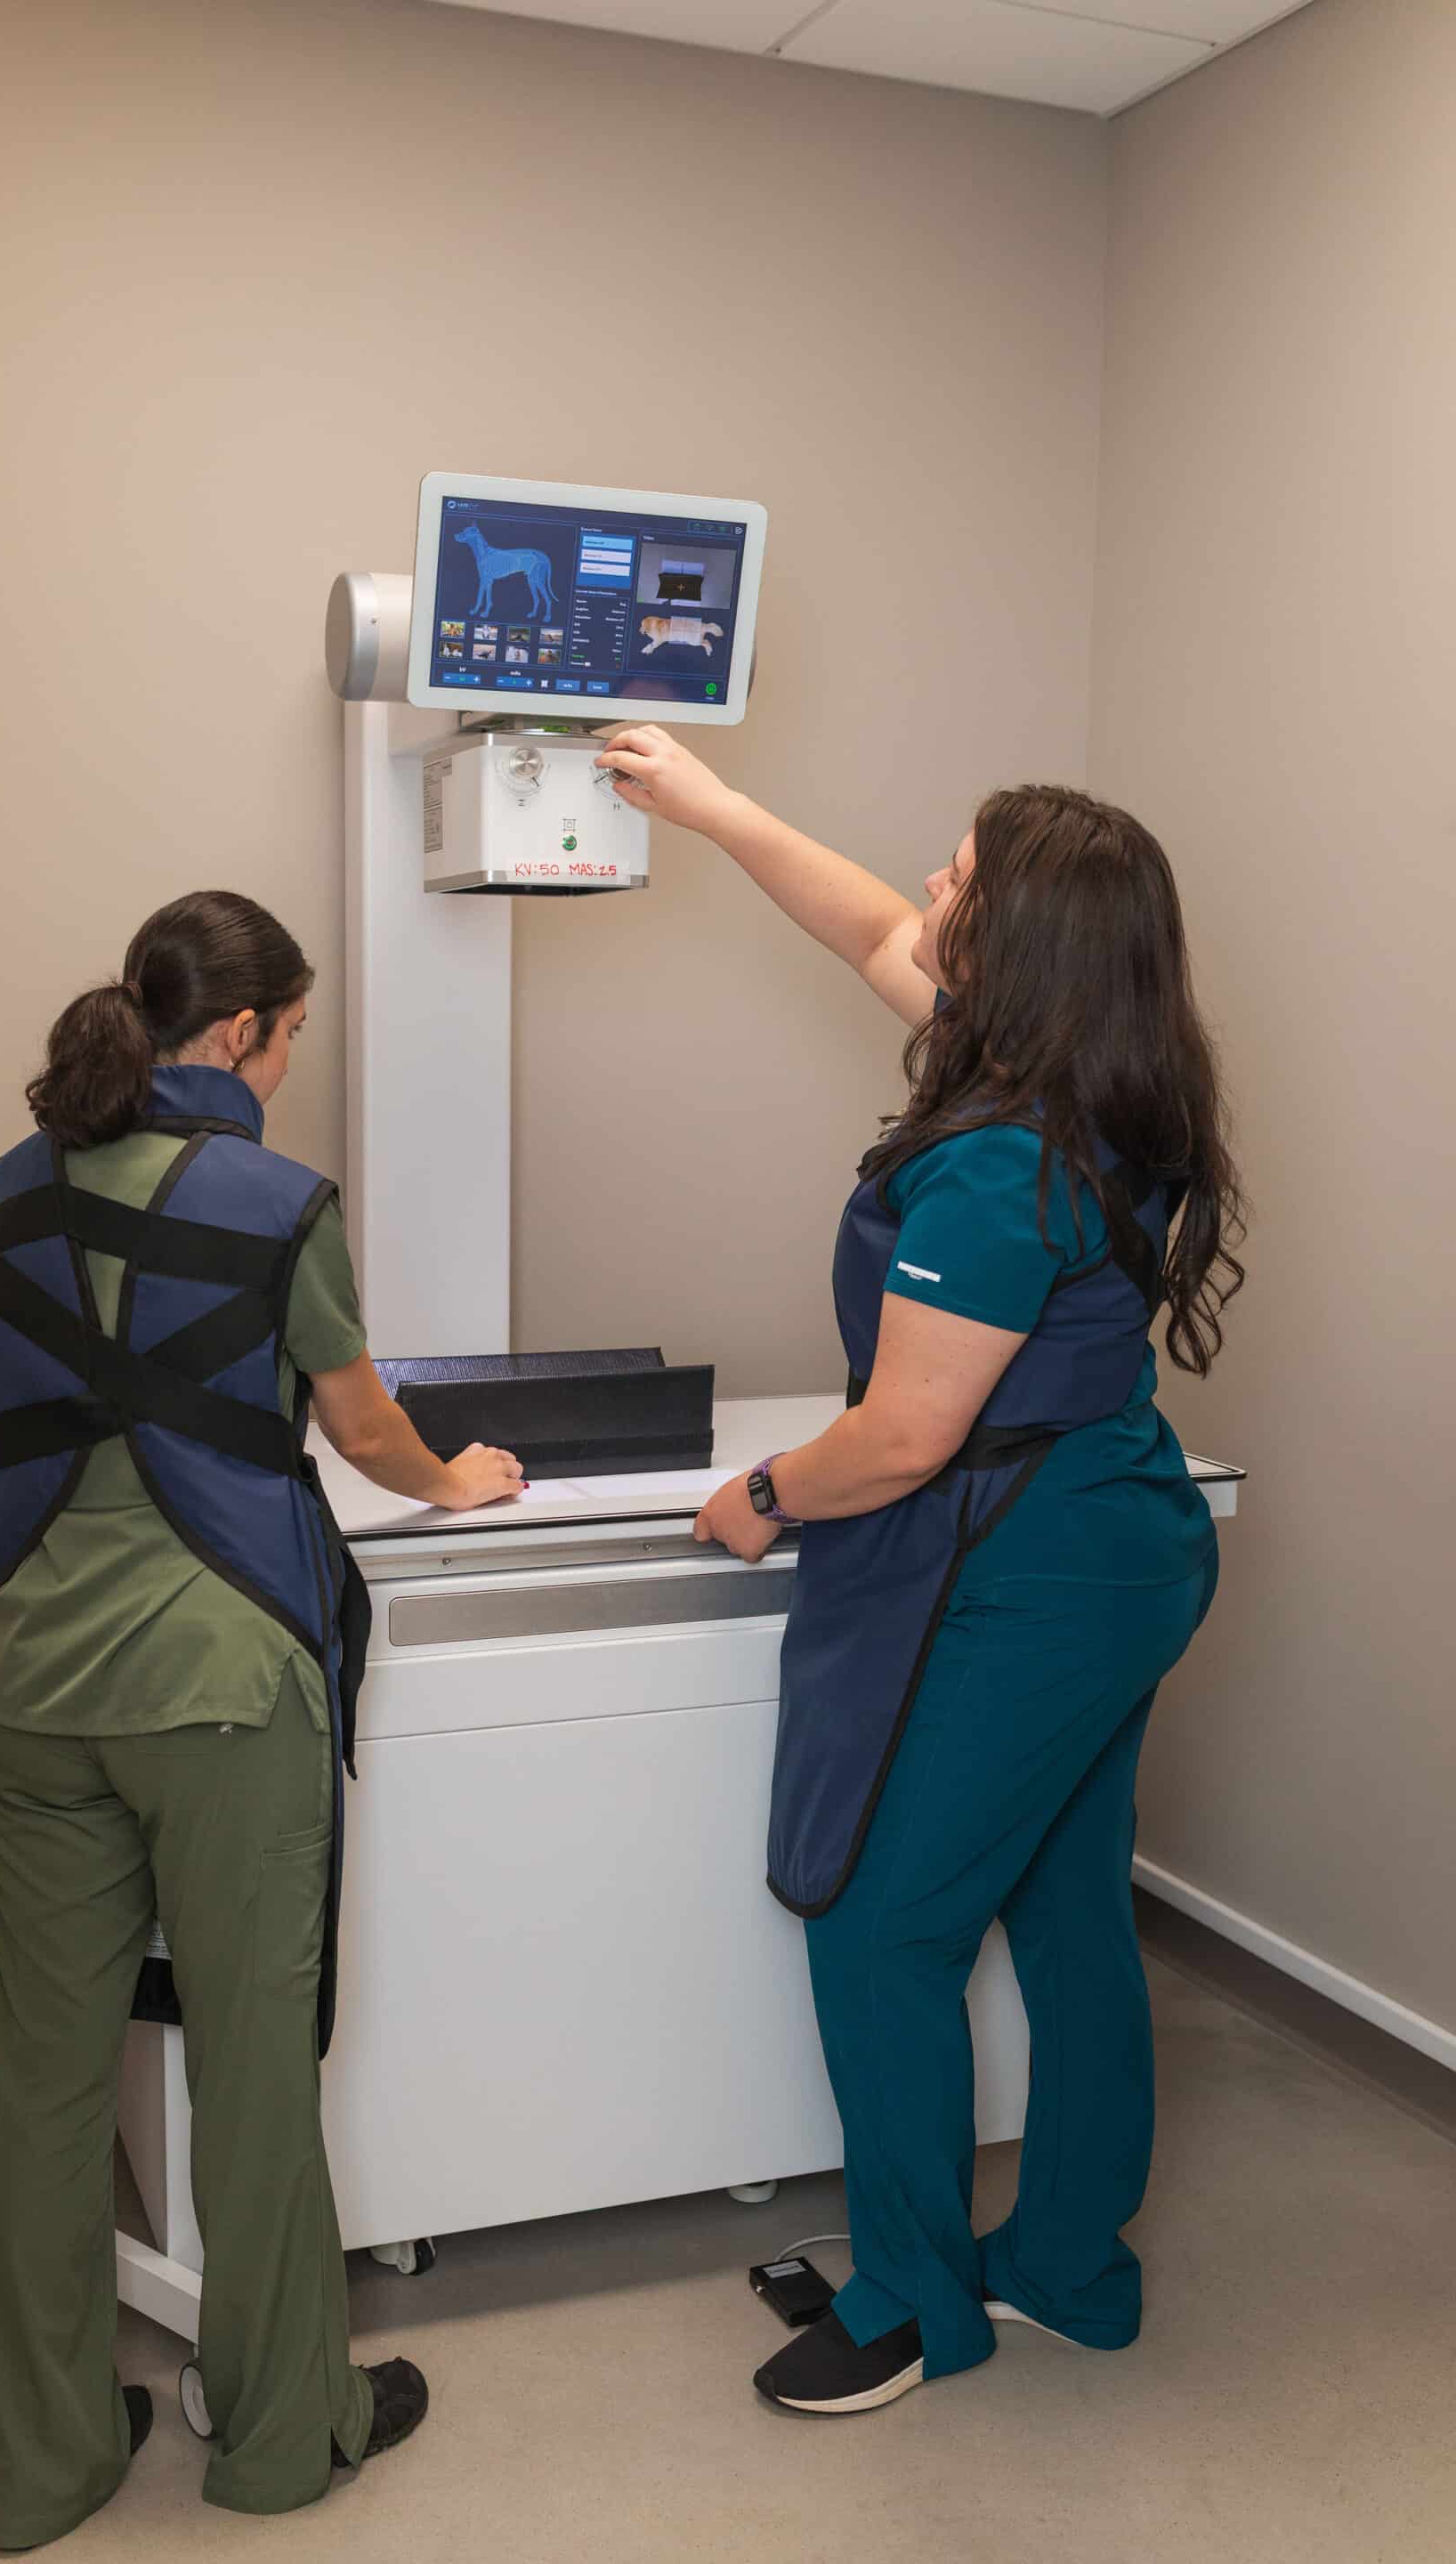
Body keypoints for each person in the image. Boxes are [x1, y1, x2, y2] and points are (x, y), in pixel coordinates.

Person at [598, 728, 1244, 2419]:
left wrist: (759, 1496)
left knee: (881, 1930)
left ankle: (914, 2304)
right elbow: (867, 926)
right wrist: (716, 808)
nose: (928, 890)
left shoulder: (992, 1162)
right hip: (1127, 1534)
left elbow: (902, 1437)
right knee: (1070, 1910)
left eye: (960, 878)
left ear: (1015, 949)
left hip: (1029, 1572)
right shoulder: (1114, 1083)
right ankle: (1070, 2274)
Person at [0, 890, 523, 2548]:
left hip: (41, 1695)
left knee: (49, 2081)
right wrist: (460, 1478)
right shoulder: (281, 1203)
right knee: (257, 2069)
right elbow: (369, 1430)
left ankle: (35, 2467)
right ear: (238, 1038)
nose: (290, 1064)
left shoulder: (7, 1191)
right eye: (290, 1038)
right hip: (224, 1698)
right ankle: (285, 2436)